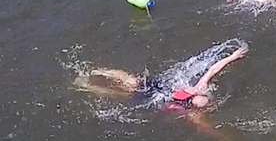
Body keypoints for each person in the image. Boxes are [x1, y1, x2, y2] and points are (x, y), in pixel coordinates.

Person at [78, 42, 248, 111]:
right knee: (127, 86)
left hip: (153, 93)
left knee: (125, 89)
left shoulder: (190, 101)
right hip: (155, 91)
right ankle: (93, 76)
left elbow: (211, 70)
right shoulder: (195, 95)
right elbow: (212, 70)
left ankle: (90, 81)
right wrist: (232, 57)